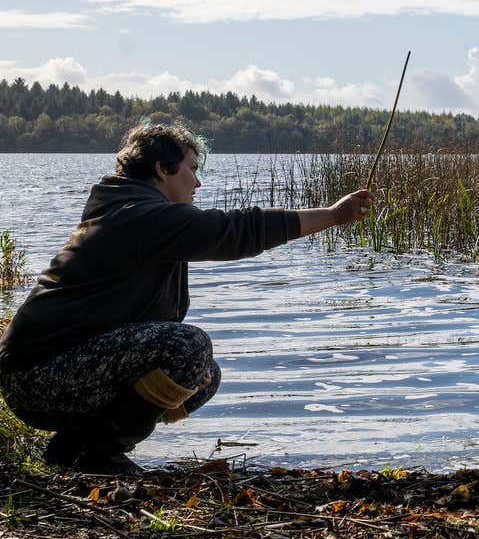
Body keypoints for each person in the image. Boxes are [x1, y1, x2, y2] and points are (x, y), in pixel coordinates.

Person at [0, 123, 374, 474]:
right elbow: (236, 231)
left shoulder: (132, 210)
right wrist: (332, 215)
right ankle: (100, 454)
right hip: (35, 379)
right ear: (162, 169)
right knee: (188, 347)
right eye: (192, 169)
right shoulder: (140, 217)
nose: (198, 181)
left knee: (204, 375)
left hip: (56, 373)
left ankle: (71, 449)